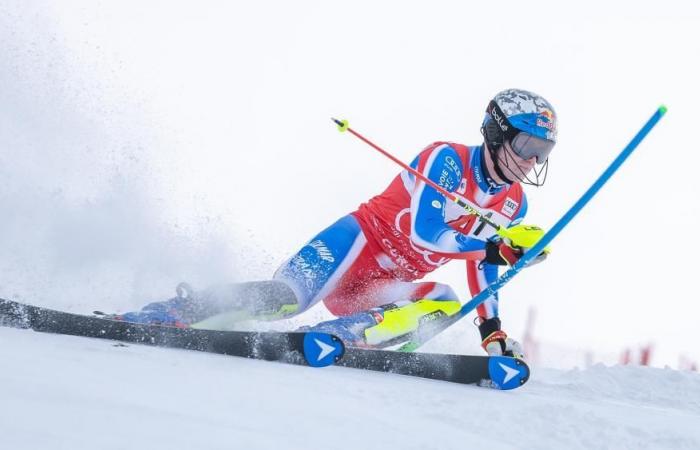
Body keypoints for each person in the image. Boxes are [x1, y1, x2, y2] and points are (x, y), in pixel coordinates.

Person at [114, 88, 557, 358]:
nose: (533, 160)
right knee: (284, 300)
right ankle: (170, 312)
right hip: (353, 247)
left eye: (544, 151)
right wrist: (497, 248)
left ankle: (337, 337)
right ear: (496, 133)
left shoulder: (514, 205)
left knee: (444, 301)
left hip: (381, 288)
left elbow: (482, 265)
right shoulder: (446, 160)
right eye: (526, 144)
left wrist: (491, 330)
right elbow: (427, 233)